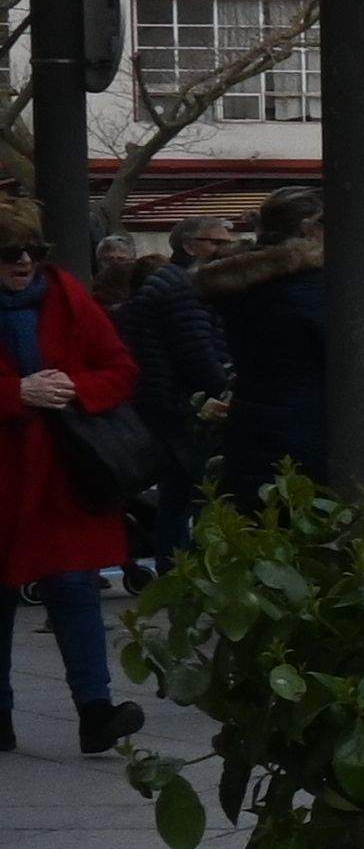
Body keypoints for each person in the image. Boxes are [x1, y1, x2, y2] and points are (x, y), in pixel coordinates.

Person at [0, 198, 143, 752]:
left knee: (75, 586)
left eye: (33, 251)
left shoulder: (67, 295)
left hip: (62, 474)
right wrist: (16, 393)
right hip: (8, 476)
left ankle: (95, 711)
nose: (24, 263)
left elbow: (120, 368)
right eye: (9, 253)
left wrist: (73, 389)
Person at [103, 214, 233, 572]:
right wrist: (224, 389)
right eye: (216, 242)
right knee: (189, 496)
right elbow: (196, 349)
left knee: (177, 498)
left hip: (165, 401)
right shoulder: (184, 287)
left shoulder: (167, 284)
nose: (225, 249)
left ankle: (175, 568)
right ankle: (183, 570)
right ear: (190, 245)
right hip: (182, 406)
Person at [201, 184, 328, 511]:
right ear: (308, 229)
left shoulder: (240, 282)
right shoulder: (313, 287)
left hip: (250, 421)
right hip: (309, 427)